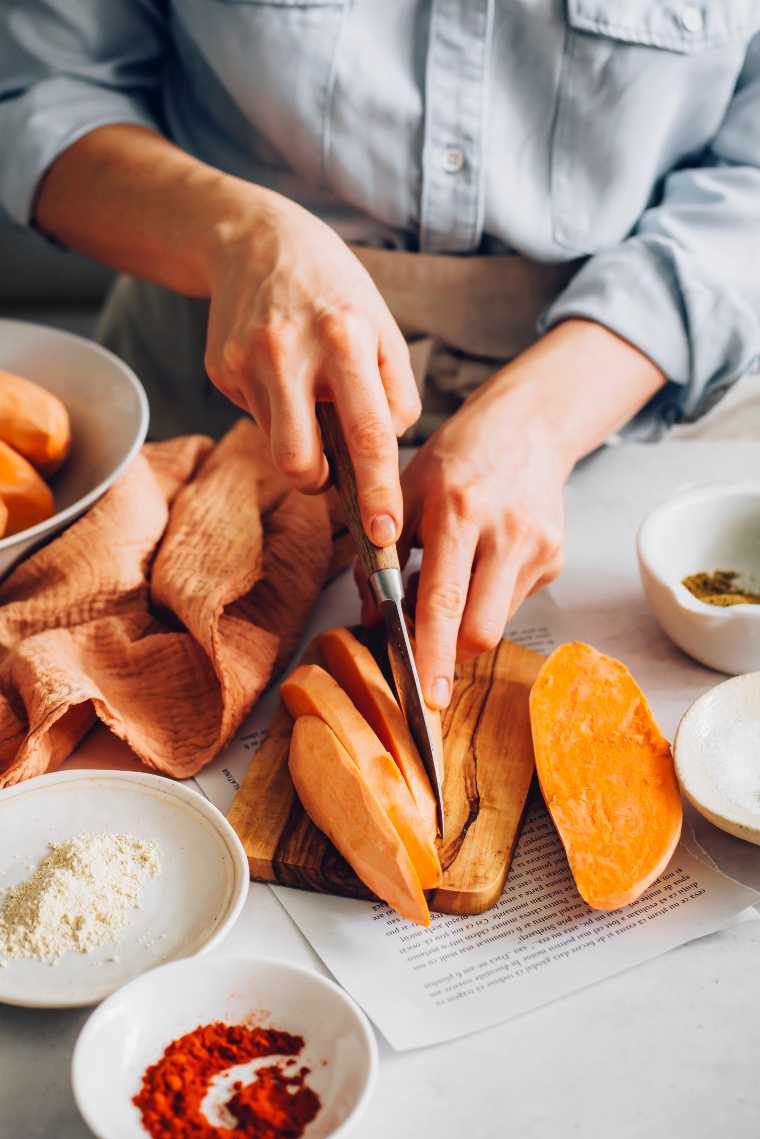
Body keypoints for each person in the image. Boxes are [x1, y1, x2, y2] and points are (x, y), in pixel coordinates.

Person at [1, 3, 758, 712]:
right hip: (206, 405)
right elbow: (40, 89)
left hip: (636, 410)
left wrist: (546, 418)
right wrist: (238, 236)